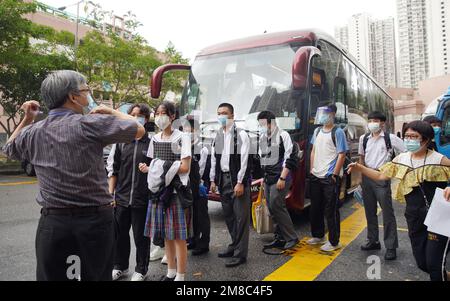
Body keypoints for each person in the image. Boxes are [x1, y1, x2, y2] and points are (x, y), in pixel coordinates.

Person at [2, 70, 145, 281]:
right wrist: (111, 111)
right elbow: (139, 130)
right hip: (94, 222)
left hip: (52, 224)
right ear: (73, 96)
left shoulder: (34, 132)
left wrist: (27, 118)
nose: (87, 95)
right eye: (86, 90)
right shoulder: (89, 124)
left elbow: (9, 148)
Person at [348, 120, 450, 281]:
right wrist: (360, 168)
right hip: (414, 217)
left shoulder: (439, 159)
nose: (409, 140)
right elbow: (382, 175)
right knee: (422, 263)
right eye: (407, 136)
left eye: (414, 136)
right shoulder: (402, 158)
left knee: (434, 265)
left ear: (426, 139)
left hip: (439, 218)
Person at [143, 101, 192, 281]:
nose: (159, 117)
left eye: (163, 113)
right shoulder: (154, 139)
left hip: (176, 191)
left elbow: (185, 167)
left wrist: (159, 167)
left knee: (178, 236)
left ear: (172, 116)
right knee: (166, 234)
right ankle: (170, 271)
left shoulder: (182, 137)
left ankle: (180, 275)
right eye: (157, 113)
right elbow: (152, 164)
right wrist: (151, 168)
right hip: (159, 191)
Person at [106, 103, 152, 281]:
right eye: (132, 115)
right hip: (122, 197)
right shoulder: (122, 142)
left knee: (141, 237)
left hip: (143, 198)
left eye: (139, 115)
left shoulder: (152, 142)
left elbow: (158, 169)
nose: (135, 118)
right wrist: (111, 194)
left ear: (146, 119)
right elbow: (113, 169)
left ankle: (141, 269)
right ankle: (120, 266)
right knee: (119, 235)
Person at [358, 111, 406, 260]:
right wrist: (361, 177)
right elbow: (361, 157)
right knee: (369, 211)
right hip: (367, 176)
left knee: (387, 213)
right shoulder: (364, 138)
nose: (372, 123)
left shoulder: (391, 139)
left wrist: (393, 170)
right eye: (370, 120)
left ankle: (391, 247)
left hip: (382, 177)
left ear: (382, 123)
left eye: (376, 120)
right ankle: (373, 240)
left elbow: (405, 154)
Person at [210, 103, 251, 268]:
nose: (221, 116)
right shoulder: (218, 135)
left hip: (236, 181)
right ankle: (235, 245)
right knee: (229, 216)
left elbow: (245, 161)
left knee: (241, 218)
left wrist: (240, 182)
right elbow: (214, 158)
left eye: (225, 113)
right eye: (219, 113)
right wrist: (213, 180)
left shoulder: (241, 135)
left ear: (232, 115)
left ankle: (241, 254)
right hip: (223, 180)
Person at [307, 103, 349, 252]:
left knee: (330, 210)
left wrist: (334, 174)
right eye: (321, 113)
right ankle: (318, 235)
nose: (323, 116)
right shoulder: (317, 131)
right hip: (316, 175)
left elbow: (341, 154)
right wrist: (312, 169)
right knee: (315, 208)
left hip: (329, 176)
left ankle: (334, 241)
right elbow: (313, 151)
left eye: (326, 113)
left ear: (333, 115)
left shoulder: (338, 132)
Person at [257, 110, 299, 250]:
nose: (261, 127)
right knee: (271, 207)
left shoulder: (283, 135)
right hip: (268, 178)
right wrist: (263, 178)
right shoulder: (263, 137)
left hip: (280, 177)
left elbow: (290, 157)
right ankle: (279, 237)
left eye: (263, 124)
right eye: (260, 124)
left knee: (276, 204)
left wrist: (282, 177)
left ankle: (291, 237)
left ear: (271, 123)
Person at [185, 116, 211, 256]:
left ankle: (204, 242)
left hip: (200, 184)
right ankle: (194, 239)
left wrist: (199, 183)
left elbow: (201, 169)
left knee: (202, 214)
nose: (188, 132)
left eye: (190, 129)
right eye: (185, 129)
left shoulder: (202, 147)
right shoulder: (186, 146)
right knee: (193, 214)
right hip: (189, 185)